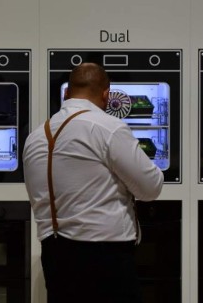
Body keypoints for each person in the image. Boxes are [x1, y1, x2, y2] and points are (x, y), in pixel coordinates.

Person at [23, 62, 164, 303]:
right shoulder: (108, 128)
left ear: (67, 93)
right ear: (106, 95)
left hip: (55, 255)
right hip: (105, 255)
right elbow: (150, 187)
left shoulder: (36, 136)